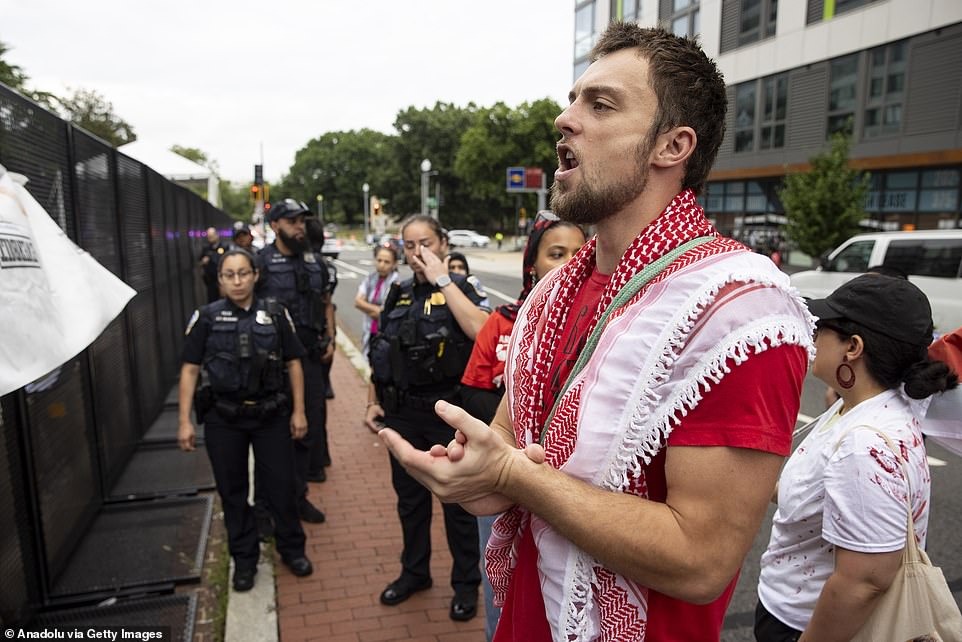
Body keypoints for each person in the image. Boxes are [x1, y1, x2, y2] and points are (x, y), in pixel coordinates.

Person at [379, 23, 815, 641]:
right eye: (573, 97)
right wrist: (472, 476)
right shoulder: (550, 294)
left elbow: (701, 560)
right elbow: (506, 446)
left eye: (600, 103)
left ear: (673, 145)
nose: (565, 118)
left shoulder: (740, 309)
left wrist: (511, 477)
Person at [755, 275, 958, 641]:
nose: (814, 336)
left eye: (822, 328)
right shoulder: (871, 407)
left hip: (805, 625)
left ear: (853, 347)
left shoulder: (865, 448)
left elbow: (863, 583)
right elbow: (820, 495)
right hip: (791, 611)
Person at [460, 211, 586, 641]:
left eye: (578, 251)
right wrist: (520, 417)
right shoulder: (504, 320)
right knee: (503, 584)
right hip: (504, 467)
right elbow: (473, 391)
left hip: (569, 485)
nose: (570, 262)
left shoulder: (610, 325)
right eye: (556, 253)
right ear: (532, 263)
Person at [363, 214, 490, 622]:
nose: (418, 253)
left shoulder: (463, 288)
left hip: (447, 414)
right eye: (410, 246)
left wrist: (443, 280)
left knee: (457, 504)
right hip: (402, 414)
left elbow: (482, 332)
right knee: (410, 502)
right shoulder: (397, 293)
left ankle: (466, 585)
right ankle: (414, 572)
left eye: (426, 244)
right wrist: (371, 401)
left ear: (443, 243)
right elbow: (380, 352)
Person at [177, 249, 314, 591]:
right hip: (225, 419)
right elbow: (190, 369)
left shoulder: (275, 314)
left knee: (282, 488)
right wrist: (184, 421)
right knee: (233, 492)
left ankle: (291, 549)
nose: (237, 281)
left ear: (255, 275)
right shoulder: (206, 317)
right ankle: (245, 560)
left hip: (271, 416)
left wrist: (299, 412)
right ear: (220, 280)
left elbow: (295, 363)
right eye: (229, 275)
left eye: (243, 273)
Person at [254, 199, 332, 524]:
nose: (299, 227)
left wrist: (331, 336)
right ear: (275, 226)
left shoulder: (315, 263)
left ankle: (299, 498)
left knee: (306, 433)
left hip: (310, 361)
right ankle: (264, 509)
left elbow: (326, 301)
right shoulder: (259, 263)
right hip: (271, 365)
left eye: (301, 221)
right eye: (291, 221)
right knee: (268, 436)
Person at [354, 244, 400, 359]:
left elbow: (385, 313)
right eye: (379, 260)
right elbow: (357, 302)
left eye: (386, 262)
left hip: (386, 333)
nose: (382, 265)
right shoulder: (370, 278)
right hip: (369, 330)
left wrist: (367, 307)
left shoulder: (396, 284)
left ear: (394, 264)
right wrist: (376, 310)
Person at [200, 226, 229, 303]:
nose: (210, 238)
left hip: (222, 279)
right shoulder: (206, 248)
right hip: (211, 280)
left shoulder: (224, 247)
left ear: (216, 235)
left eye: (212, 236)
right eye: (209, 237)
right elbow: (200, 260)